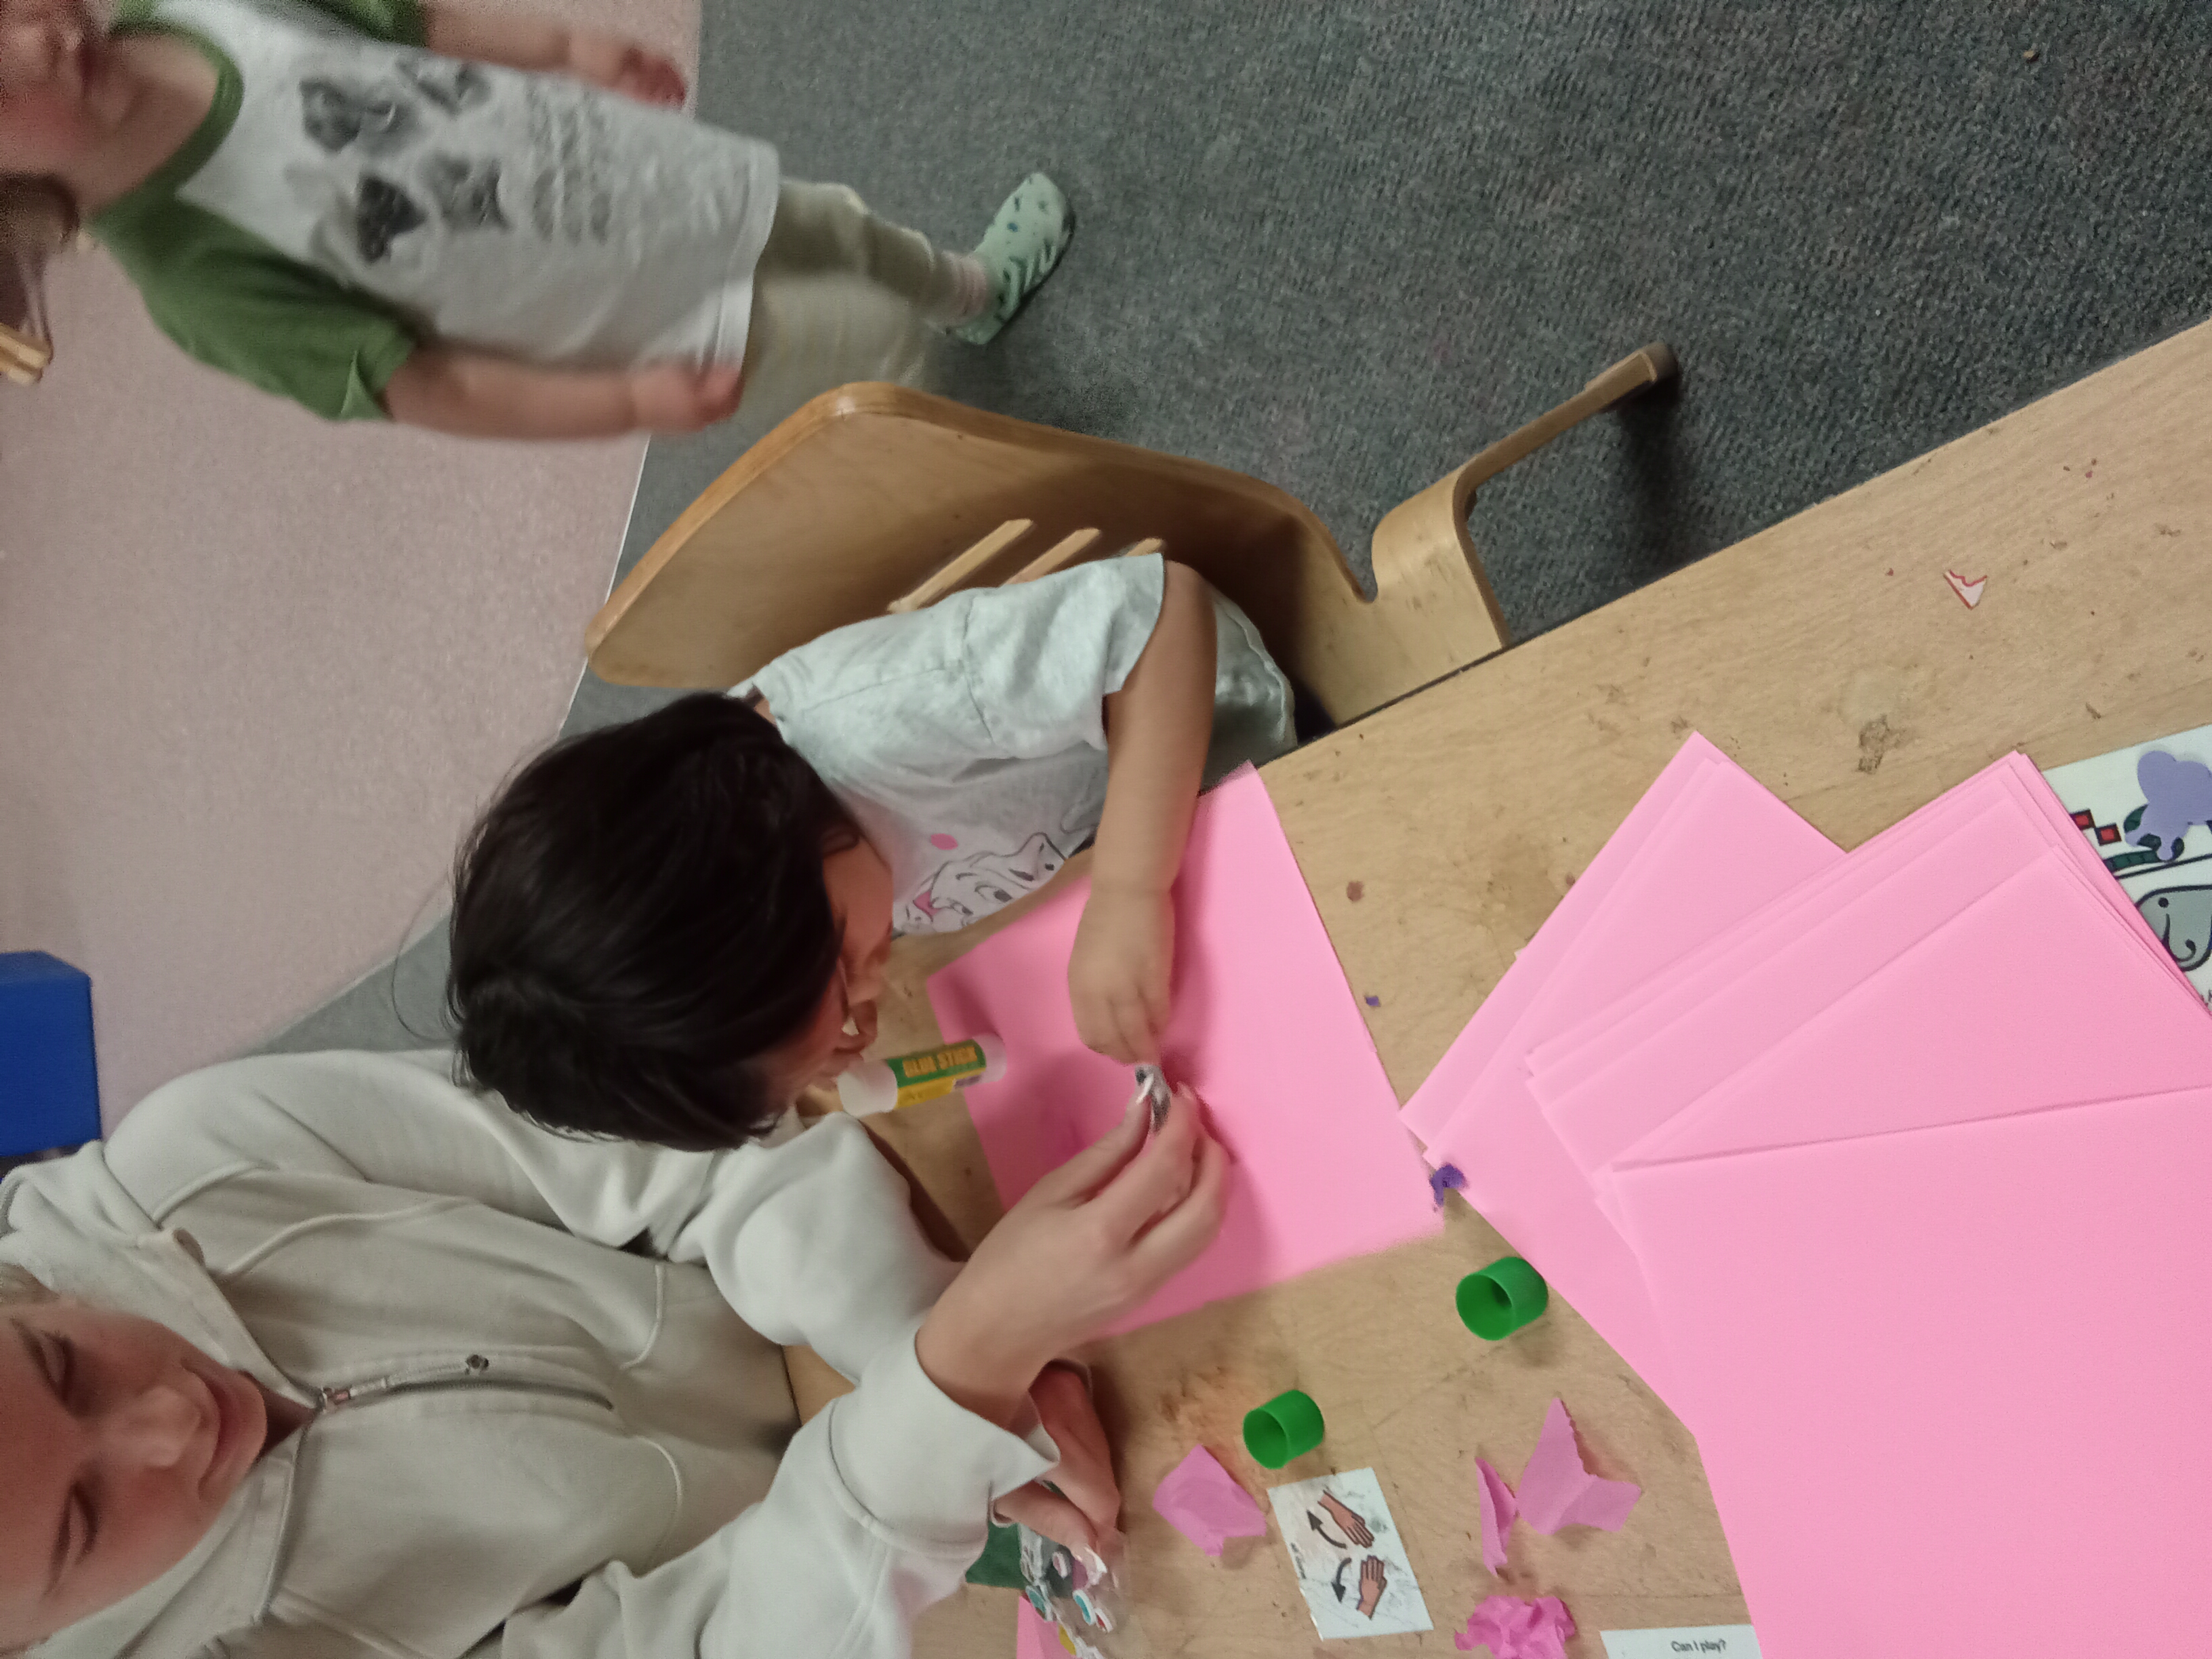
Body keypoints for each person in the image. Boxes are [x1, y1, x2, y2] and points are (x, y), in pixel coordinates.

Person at [0, 1045, 1227, 1658]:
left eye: (62, 1360)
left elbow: (665, 1131)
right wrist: (941, 1392)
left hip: (928, 1288)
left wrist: (915, 1334)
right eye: (83, 1523)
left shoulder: (196, 1159)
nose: (170, 1417)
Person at [446, 551, 1298, 1150]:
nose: (872, 987)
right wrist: (811, 1037)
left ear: (777, 840)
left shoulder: (883, 718)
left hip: (1220, 732)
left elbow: (1165, 614)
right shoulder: (786, 873)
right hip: (1115, 853)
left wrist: (1130, 889)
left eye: (843, 961)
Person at [0, 0, 1068, 436]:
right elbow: (429, 386)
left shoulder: (190, 8)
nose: (37, 41)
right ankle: (1007, 455)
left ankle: (972, 288)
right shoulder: (194, 281)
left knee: (835, 224)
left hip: (633, 174)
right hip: (619, 317)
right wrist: (625, 401)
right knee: (867, 339)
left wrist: (571, 51)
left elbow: (412, 20)